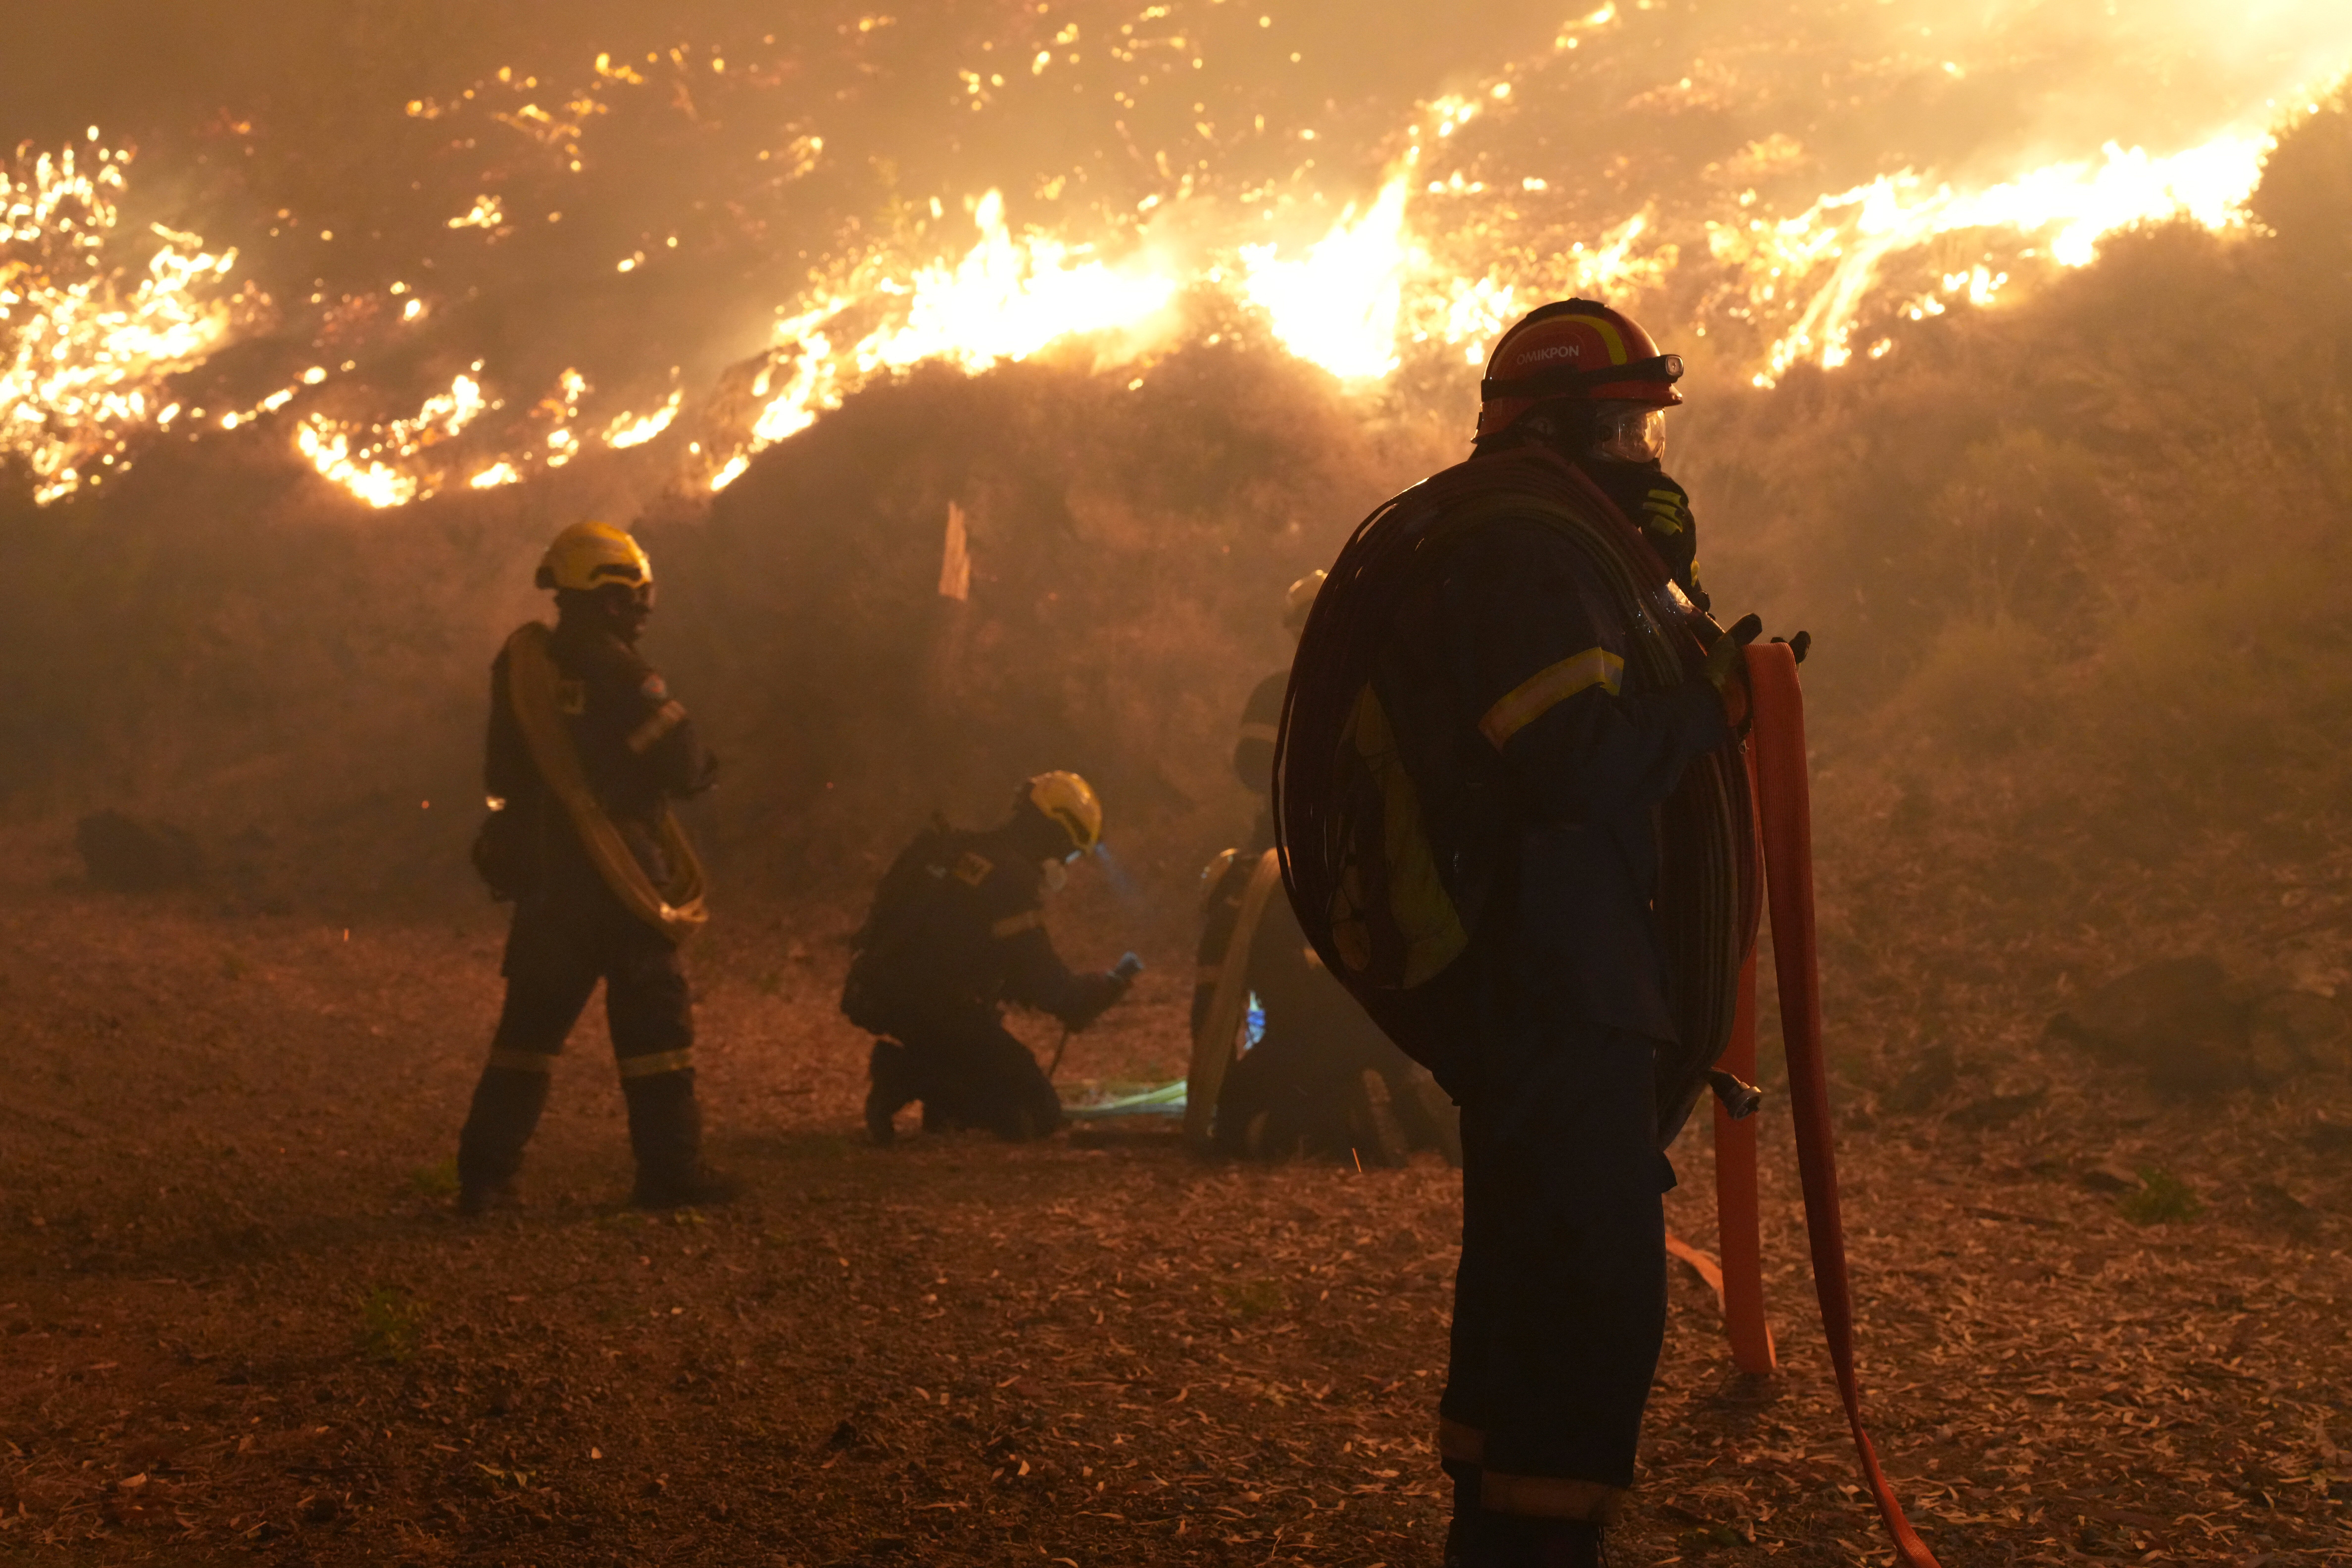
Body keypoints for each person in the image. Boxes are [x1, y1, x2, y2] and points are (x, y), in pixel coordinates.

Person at [1275, 299, 1777, 1568]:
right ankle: (1534, 1546)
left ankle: (1493, 1526)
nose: (1643, 457)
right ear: (1553, 430)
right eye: (1622, 431)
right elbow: (1570, 762)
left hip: (1553, 963)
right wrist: (1709, 706)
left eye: (1648, 432)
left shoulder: (1532, 541)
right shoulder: (1522, 554)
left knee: (1532, 1253)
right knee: (1587, 1277)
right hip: (1552, 968)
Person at [455, 521, 733, 1214]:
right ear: (608, 595)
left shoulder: (521, 665)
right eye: (637, 597)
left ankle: (486, 1178)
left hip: (547, 880)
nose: (643, 611)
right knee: (656, 1035)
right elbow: (684, 762)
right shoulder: (626, 673)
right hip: (623, 878)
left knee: (527, 1037)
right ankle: (671, 1174)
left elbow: (501, 774)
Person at [1193, 571, 1459, 1165]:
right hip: (1343, 868)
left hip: (1297, 865)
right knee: (1348, 997)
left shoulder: (1281, 691)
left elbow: (1252, 767)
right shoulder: (1380, 689)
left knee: (1316, 1003)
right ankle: (1380, 1101)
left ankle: (1345, 1107)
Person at [844, 772, 1141, 1144]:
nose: (1064, 864)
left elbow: (984, 957)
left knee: (975, 1049)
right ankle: (907, 1077)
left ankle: (939, 1097)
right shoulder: (1010, 879)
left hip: (881, 993)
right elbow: (1045, 983)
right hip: (941, 1009)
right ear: (1054, 833)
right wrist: (1093, 993)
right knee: (1037, 1112)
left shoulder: (953, 849)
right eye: (1069, 853)